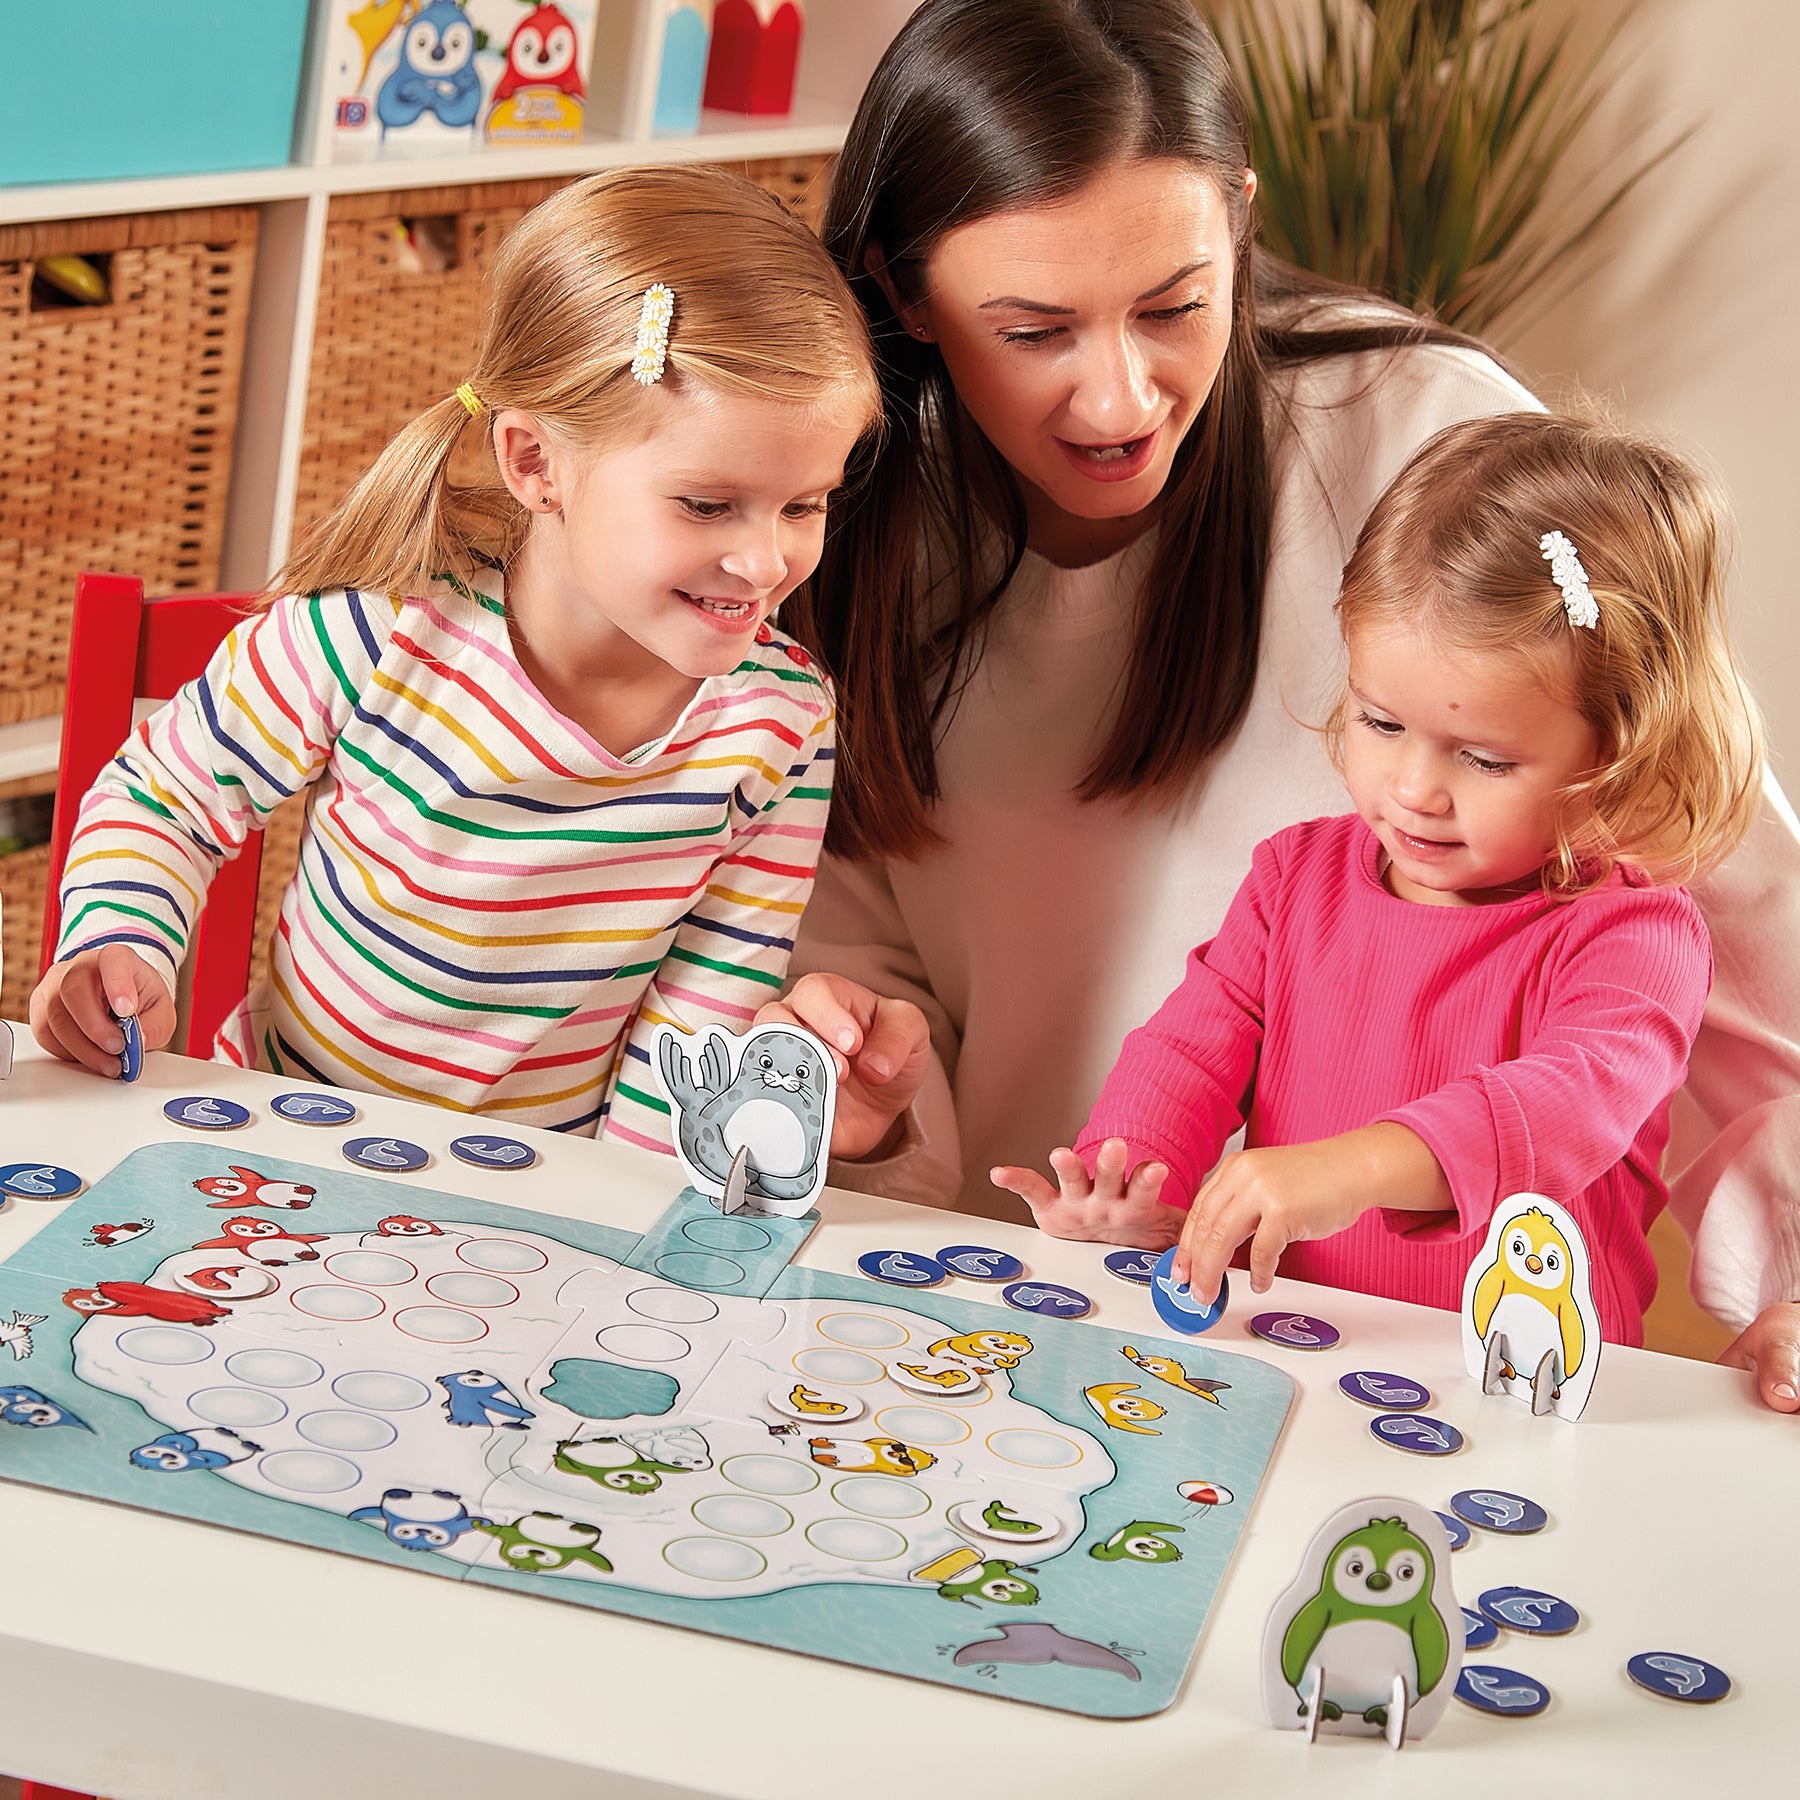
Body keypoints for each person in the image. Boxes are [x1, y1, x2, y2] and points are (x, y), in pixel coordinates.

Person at [760, 0, 1800, 1409]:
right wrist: (875, 1095)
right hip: (1068, 1305)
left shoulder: (1434, 447)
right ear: (900, 292)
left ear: (1240, 224)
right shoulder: (826, 517)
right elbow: (906, 980)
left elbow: (1749, 944)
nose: (1119, 400)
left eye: (1175, 306)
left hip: (1434, 1355)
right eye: (1034, 331)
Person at [32, 165, 881, 1146]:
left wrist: (619, 1210)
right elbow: (165, 798)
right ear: (535, 463)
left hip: (539, 1187)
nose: (766, 561)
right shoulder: (375, 633)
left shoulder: (784, 719)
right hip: (278, 1138)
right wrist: (118, 944)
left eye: (804, 505)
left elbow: (704, 1008)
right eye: (706, 504)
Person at [993, 412, 1761, 1348]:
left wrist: (1352, 1170)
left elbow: (1568, 1104)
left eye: (1483, 758)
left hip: (1511, 1385)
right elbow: (1187, 1055)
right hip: (1290, 1349)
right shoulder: (1293, 879)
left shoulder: (1636, 936)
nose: (1413, 790)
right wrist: (1130, 1179)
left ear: (1617, 748)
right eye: (1381, 723)